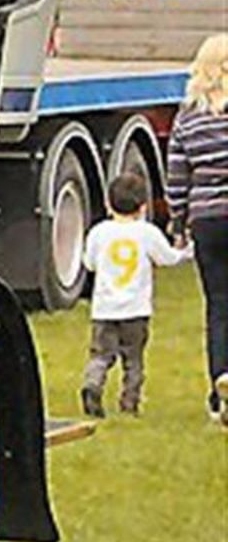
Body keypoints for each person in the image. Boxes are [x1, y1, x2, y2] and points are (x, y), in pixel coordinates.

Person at [80, 170, 188, 418]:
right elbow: (168, 258)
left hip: (104, 309)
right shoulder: (147, 232)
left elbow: (89, 264)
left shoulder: (99, 232)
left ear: (108, 203)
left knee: (100, 354)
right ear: (142, 206)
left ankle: (93, 383)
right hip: (136, 310)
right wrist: (186, 250)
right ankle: (130, 403)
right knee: (133, 359)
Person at [167, 31, 228, 425]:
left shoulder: (187, 116)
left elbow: (176, 176)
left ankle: (219, 390)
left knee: (219, 306)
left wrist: (178, 220)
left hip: (206, 219)